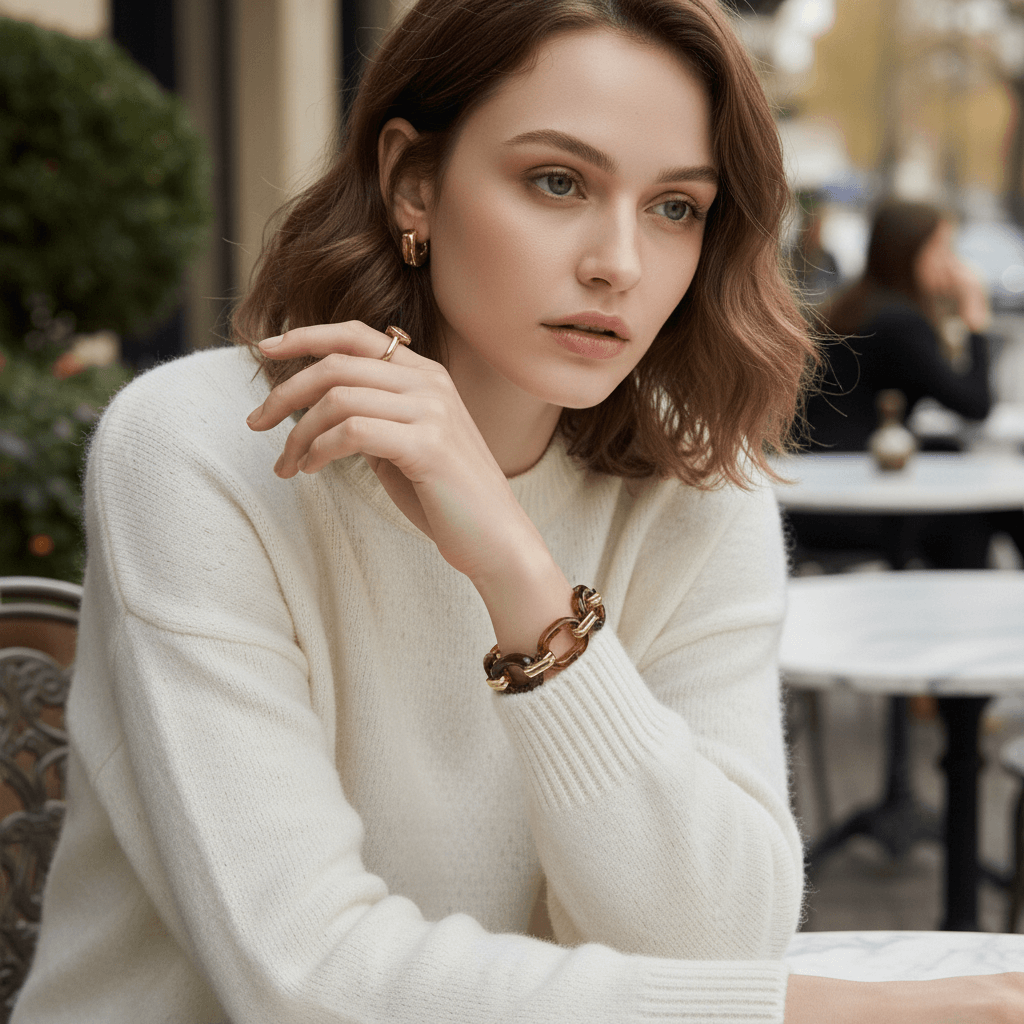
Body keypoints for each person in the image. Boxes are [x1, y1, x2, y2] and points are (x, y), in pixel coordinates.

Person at [12, 2, 1023, 1023]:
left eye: (675, 207)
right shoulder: (199, 448)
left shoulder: (698, 491)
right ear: (414, 182)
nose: (618, 263)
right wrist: (835, 1008)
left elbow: (718, 940)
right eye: (557, 181)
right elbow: (302, 979)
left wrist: (518, 574)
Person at [794, 199, 1001, 569]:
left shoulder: (854, 307)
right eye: (941, 249)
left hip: (816, 495)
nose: (952, 264)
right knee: (979, 512)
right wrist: (974, 313)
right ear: (910, 252)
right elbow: (975, 404)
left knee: (949, 451)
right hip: (855, 506)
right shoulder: (899, 322)